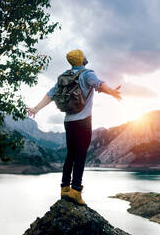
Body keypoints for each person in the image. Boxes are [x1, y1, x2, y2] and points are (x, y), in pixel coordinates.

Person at [26, 49, 122, 206]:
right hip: (83, 121)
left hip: (68, 121)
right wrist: (112, 92)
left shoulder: (65, 76)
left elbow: (50, 94)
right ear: (81, 59)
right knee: (81, 155)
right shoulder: (87, 73)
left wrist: (36, 109)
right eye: (83, 55)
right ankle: (76, 191)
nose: (85, 57)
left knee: (70, 154)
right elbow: (100, 84)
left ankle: (64, 188)